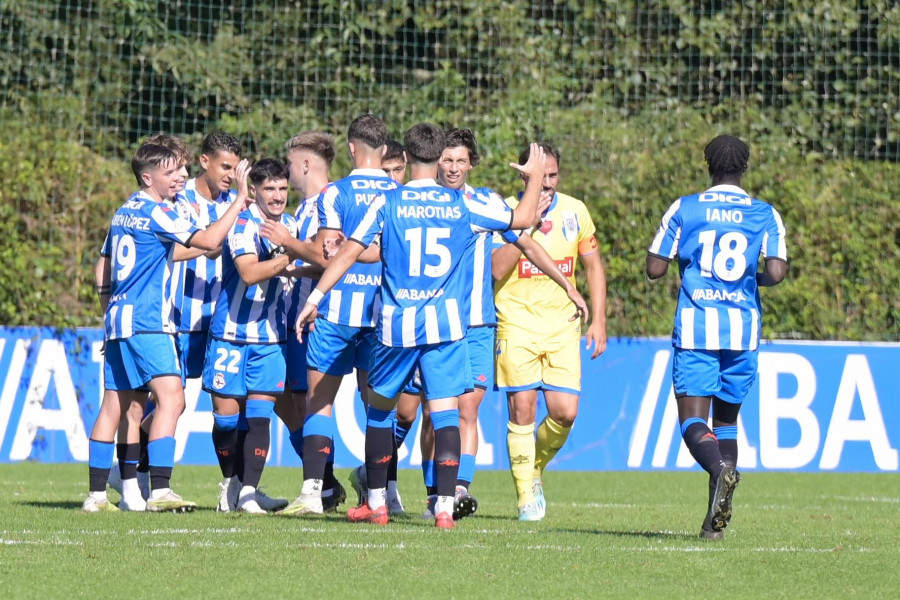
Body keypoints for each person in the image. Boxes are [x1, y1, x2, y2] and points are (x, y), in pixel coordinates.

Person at [297, 124, 551, 528]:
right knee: (446, 413)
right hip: (447, 328)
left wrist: (314, 298)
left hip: (397, 327)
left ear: (407, 158)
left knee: (380, 413)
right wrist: (535, 176)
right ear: (436, 160)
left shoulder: (389, 202)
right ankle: (445, 508)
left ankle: (377, 502)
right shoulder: (462, 206)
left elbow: (347, 252)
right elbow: (522, 218)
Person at [413, 129, 589, 521]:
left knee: (467, 410)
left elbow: (524, 242)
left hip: (477, 323)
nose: (453, 168)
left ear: (472, 163)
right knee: (428, 414)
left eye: (461, 161)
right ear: (434, 163)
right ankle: (427, 492)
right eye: (446, 160)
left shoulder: (484, 201)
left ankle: (457, 490)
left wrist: (568, 287)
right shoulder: (418, 202)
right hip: (432, 321)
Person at [83, 142, 251, 512]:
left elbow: (112, 263)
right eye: (171, 172)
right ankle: (160, 489)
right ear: (148, 177)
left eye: (180, 171)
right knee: (172, 398)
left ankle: (103, 495)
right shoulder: (160, 212)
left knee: (117, 406)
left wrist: (107, 312)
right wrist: (239, 200)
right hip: (148, 322)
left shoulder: (125, 210)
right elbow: (206, 239)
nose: (179, 177)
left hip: (118, 320)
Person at [646, 134, 787, 539]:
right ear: (745, 168)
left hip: (697, 328)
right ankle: (713, 526)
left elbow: (655, 269)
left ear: (709, 166)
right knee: (726, 423)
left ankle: (720, 470)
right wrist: (748, 280)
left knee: (693, 419)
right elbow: (776, 273)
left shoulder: (686, 207)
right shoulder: (764, 213)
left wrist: (684, 266)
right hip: (743, 333)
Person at [285, 114, 398, 516]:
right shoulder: (399, 193)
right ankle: (380, 497)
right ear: (385, 150)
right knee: (378, 409)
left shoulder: (335, 194)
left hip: (336, 310)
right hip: (382, 314)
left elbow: (327, 249)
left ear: (352, 148)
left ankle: (313, 493)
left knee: (320, 404)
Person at [492, 141, 608, 521]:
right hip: (516, 322)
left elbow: (592, 266)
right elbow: (496, 270)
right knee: (522, 408)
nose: (547, 184)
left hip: (562, 327)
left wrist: (600, 319)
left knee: (565, 412)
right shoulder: (503, 211)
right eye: (539, 176)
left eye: (552, 175)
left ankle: (534, 468)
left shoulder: (576, 211)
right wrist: (524, 223)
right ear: (524, 175)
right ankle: (526, 496)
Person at [201, 158, 304, 514]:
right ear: (255, 191)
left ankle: (248, 493)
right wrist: (289, 254)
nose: (277, 196)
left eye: (282, 188)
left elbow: (304, 265)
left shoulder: (289, 225)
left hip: (270, 339)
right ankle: (231, 484)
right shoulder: (242, 224)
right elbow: (247, 273)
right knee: (227, 420)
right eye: (269, 189)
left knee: (260, 416)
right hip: (231, 333)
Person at [271, 130, 346, 513]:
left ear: (304, 164)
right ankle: (327, 482)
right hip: (292, 317)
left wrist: (287, 245)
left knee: (307, 403)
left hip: (313, 318)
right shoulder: (305, 207)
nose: (287, 173)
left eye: (290, 164)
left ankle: (321, 485)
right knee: (286, 402)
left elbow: (324, 256)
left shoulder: (327, 203)